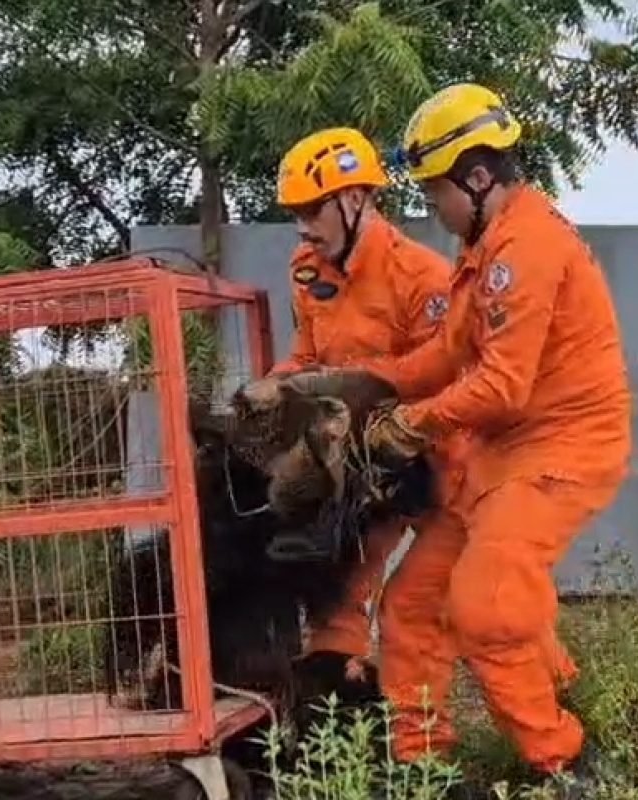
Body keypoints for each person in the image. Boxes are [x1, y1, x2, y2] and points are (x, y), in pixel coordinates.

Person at [361, 83, 631, 789]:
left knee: (486, 606)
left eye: (435, 193)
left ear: (478, 178)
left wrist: (412, 423)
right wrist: (361, 383)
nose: (433, 209)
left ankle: (565, 764)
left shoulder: (526, 248)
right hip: (500, 457)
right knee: (412, 608)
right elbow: (446, 355)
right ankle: (423, 767)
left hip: (562, 453)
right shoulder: (486, 249)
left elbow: (501, 385)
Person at [266, 126, 474, 711]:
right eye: (295, 213)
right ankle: (341, 729)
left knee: (462, 609)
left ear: (355, 199)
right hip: (363, 473)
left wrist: (369, 404)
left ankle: (550, 719)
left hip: (441, 468)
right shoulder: (308, 269)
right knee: (337, 599)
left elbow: (444, 382)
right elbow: (307, 357)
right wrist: (274, 390)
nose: (302, 226)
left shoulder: (423, 278)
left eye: (312, 210)